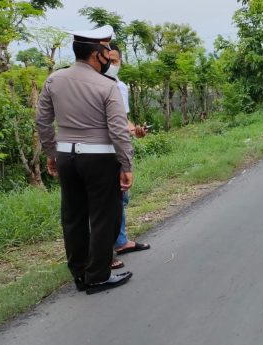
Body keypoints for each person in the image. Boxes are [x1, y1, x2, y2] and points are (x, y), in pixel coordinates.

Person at [36, 25, 134, 294]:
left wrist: (51, 153)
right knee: (106, 217)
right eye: (108, 51)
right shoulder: (107, 85)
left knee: (73, 216)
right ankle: (98, 276)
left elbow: (43, 121)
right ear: (98, 54)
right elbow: (117, 129)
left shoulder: (54, 80)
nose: (110, 56)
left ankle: (79, 274)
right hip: (100, 159)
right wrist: (126, 164)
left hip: (67, 155)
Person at [105, 44, 151, 270]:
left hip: (119, 149)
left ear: (120, 62)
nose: (110, 65)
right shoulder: (94, 85)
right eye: (107, 60)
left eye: (114, 61)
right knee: (104, 202)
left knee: (121, 197)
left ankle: (120, 241)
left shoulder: (120, 87)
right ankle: (104, 252)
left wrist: (136, 132)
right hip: (99, 151)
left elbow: (122, 120)